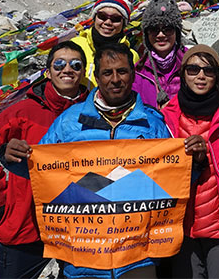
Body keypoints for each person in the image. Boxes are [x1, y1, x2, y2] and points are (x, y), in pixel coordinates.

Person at [37, 42, 172, 279]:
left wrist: (196, 160)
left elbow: (171, 180)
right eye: (107, 73)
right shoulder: (69, 122)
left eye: (122, 71)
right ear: (96, 76)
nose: (115, 79)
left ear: (133, 74)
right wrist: (14, 159)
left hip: (137, 258)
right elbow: (41, 173)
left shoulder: (153, 124)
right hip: (83, 256)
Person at [0, 41, 88, 279]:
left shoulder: (93, 112)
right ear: (48, 71)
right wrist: (4, 198)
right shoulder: (23, 112)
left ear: (84, 72)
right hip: (26, 223)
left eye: (75, 64)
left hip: (78, 225)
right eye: (59, 64)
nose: (67, 69)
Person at [161, 45, 219, 279]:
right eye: (193, 69)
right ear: (183, 74)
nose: (201, 76)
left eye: (209, 70)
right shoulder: (166, 116)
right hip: (181, 227)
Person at [71, 0, 139, 89]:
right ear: (95, 18)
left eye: (115, 19)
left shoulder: (131, 56)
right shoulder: (75, 46)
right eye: (102, 16)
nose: (107, 22)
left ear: (123, 24)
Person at [133, 0, 186, 108]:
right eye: (154, 29)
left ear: (177, 32)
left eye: (168, 29)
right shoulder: (138, 72)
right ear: (146, 35)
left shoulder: (192, 63)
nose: (161, 35)